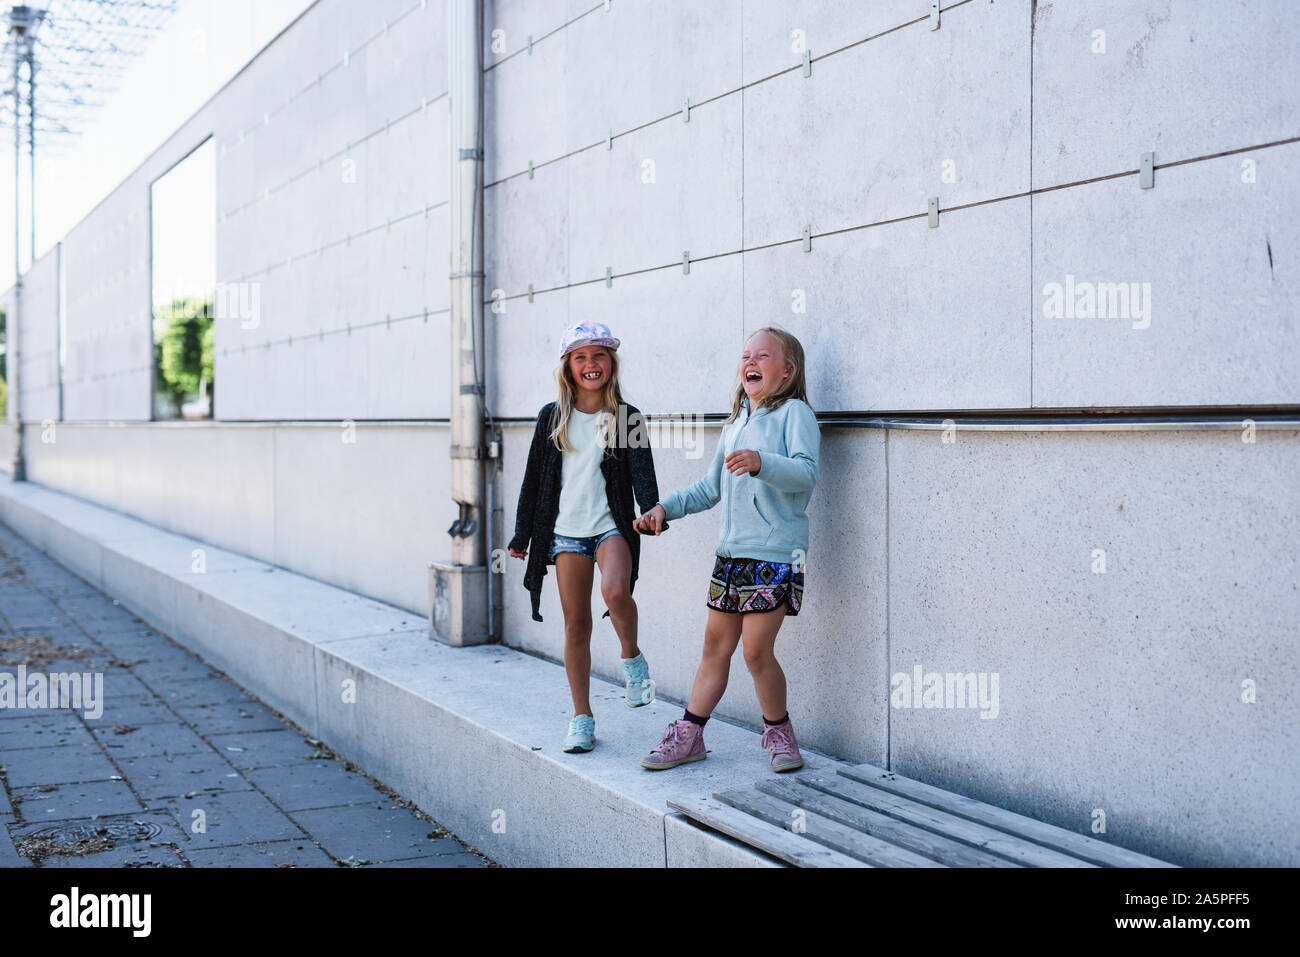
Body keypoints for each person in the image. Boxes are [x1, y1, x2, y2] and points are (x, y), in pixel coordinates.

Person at [634, 326, 819, 773]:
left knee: (756, 651)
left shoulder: (795, 414)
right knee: (715, 648)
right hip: (730, 555)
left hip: (775, 555)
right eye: (745, 356)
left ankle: (779, 733)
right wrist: (665, 508)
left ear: (787, 371)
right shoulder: (736, 424)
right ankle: (690, 735)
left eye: (763, 356)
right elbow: (710, 487)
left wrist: (761, 463)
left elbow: (806, 474)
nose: (750, 362)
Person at [508, 320, 667, 753]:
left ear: (611, 364)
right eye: (581, 357)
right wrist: (523, 533)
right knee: (576, 625)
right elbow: (532, 481)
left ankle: (631, 658)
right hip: (564, 535)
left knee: (616, 591)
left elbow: (642, 474)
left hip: (610, 526)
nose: (590, 364)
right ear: (568, 366)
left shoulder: (624, 416)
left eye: (599, 356)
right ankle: (582, 718)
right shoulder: (552, 417)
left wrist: (652, 508)